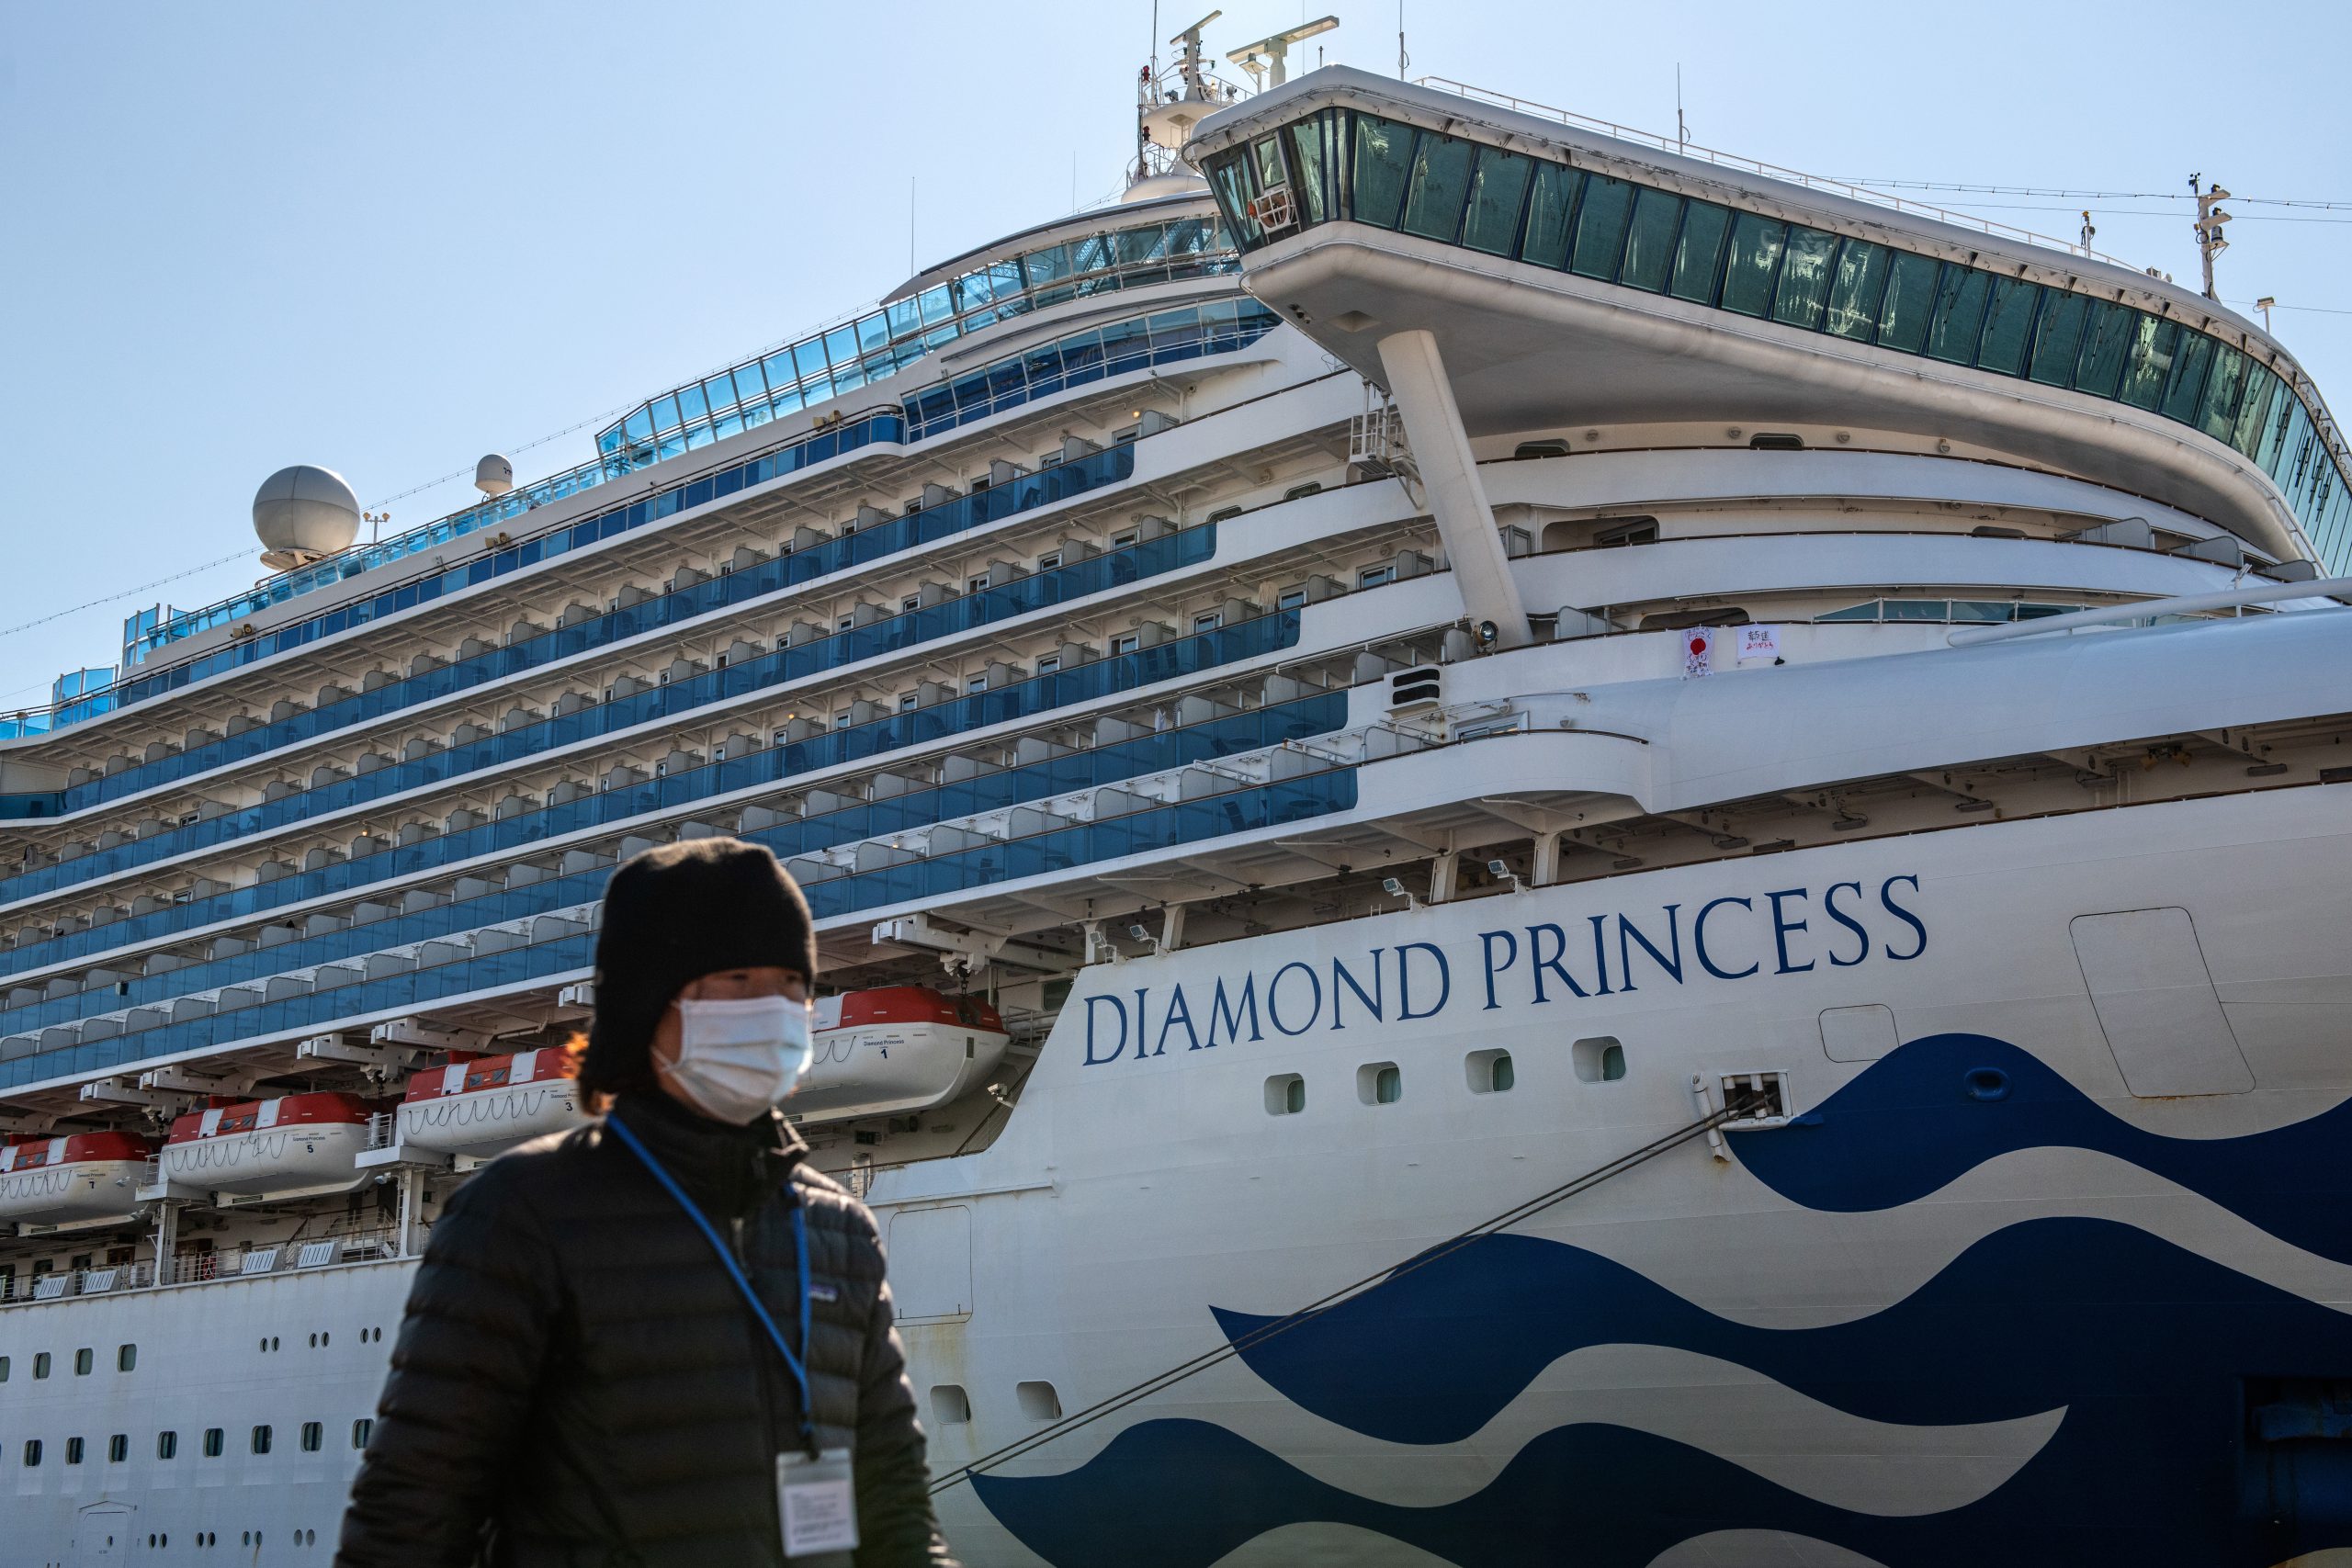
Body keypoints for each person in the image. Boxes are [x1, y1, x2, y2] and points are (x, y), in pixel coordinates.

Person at [336, 838, 956, 1567]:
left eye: (794, 982)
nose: (777, 1007)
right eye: (738, 977)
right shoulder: (523, 1213)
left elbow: (894, 1505)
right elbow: (411, 1515)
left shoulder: (836, 1226)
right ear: (648, 1003)